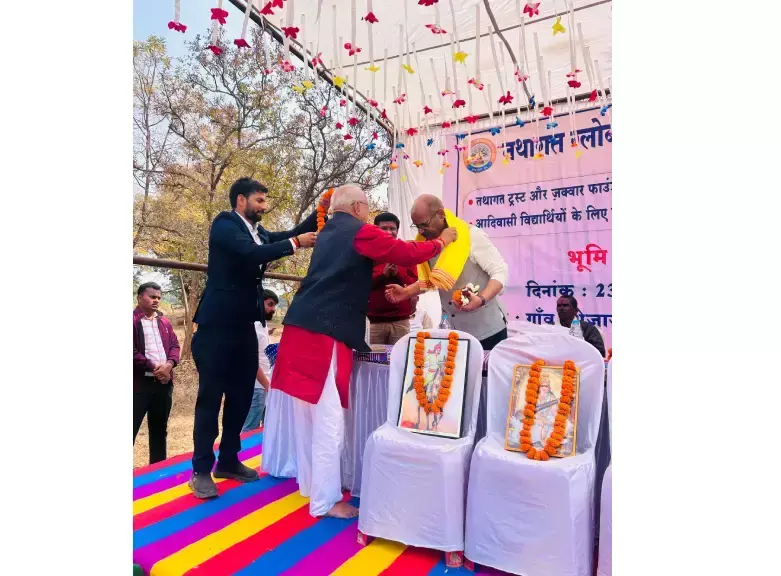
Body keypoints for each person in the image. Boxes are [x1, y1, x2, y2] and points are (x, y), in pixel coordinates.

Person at [272, 184, 457, 519]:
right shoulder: (357, 229)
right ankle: (325, 501)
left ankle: (312, 487)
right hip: (324, 332)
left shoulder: (328, 231)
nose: (370, 215)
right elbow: (405, 253)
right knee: (328, 417)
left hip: (300, 325)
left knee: (307, 415)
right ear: (358, 207)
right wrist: (441, 242)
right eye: (368, 209)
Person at [188, 177, 324, 499]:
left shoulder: (258, 232)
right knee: (211, 398)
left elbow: (285, 235)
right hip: (216, 327)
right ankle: (201, 470)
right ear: (240, 201)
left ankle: (229, 461)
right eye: (259, 201)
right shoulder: (224, 225)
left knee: (240, 397)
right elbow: (251, 254)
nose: (264, 207)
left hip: (245, 330)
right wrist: (297, 244)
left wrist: (321, 211)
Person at [386, 194, 510, 350]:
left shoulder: (471, 235)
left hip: (487, 329)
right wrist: (407, 292)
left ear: (441, 214)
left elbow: (500, 271)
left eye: (424, 224)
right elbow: (433, 280)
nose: (421, 231)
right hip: (453, 331)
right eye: (416, 226)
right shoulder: (429, 243)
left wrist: (481, 299)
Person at [133, 282, 181, 464]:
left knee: (159, 430)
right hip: (139, 386)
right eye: (152, 296)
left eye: (159, 297)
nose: (156, 300)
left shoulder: (165, 322)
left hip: (163, 384)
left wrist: (169, 364)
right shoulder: (132, 321)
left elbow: (175, 346)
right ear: (139, 298)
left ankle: (158, 470)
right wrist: (154, 367)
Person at [367, 212, 418, 345]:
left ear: (397, 230)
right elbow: (361, 284)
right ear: (376, 230)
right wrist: (382, 275)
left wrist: (398, 273)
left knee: (399, 362)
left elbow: (415, 284)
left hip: (400, 322)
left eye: (392, 229)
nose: (389, 232)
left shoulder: (406, 252)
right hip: (374, 322)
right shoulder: (367, 254)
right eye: (384, 228)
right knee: (373, 363)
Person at [242, 289, 279, 432]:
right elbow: (252, 361)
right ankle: (243, 454)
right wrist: (267, 386)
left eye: (274, 305)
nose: (273, 309)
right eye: (270, 304)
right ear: (258, 302)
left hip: (263, 385)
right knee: (250, 430)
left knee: (265, 429)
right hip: (258, 387)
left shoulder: (261, 325)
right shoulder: (254, 326)